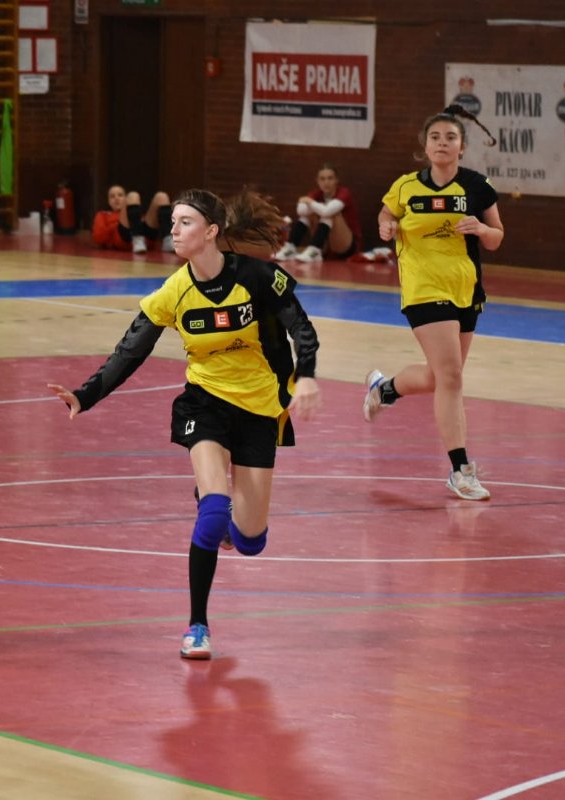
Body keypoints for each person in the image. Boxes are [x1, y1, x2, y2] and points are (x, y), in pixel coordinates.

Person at [48, 188, 320, 660]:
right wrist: (85, 395)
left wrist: (308, 377)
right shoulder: (174, 291)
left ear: (211, 231)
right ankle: (197, 625)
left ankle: (234, 523)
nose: (173, 230)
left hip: (258, 409)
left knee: (251, 541)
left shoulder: (258, 278)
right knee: (212, 511)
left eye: (185, 222)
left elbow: (303, 330)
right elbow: (131, 350)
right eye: (172, 221)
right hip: (204, 405)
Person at [362, 104, 504, 501]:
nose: (442, 143)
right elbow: (385, 216)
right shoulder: (406, 187)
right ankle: (461, 470)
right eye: (435, 137)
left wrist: (482, 229)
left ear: (462, 146)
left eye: (450, 138)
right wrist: (387, 226)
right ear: (425, 146)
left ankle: (384, 390)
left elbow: (497, 236)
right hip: (423, 288)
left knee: (439, 377)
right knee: (452, 378)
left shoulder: (477, 186)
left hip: (466, 289)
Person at [273, 164, 363, 263]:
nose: (326, 182)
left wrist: (309, 202)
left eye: (330, 178)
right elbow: (301, 211)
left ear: (336, 180)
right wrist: (314, 205)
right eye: (322, 179)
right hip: (326, 246)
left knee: (330, 213)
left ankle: (314, 249)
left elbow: (326, 212)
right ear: (317, 181)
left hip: (347, 247)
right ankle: (291, 248)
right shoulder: (316, 193)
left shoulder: (344, 192)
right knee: (310, 213)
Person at [91, 184, 174, 255]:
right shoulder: (103, 215)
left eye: (120, 195)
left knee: (161, 196)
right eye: (112, 196)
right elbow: (98, 237)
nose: (116, 198)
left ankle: (168, 239)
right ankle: (137, 239)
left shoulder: (135, 212)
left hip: (145, 238)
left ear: (125, 197)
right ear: (108, 201)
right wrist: (114, 227)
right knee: (133, 195)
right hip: (124, 238)